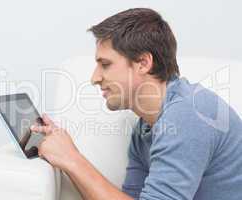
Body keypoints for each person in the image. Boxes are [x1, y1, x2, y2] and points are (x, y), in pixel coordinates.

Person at [30, 8, 242, 200]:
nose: (94, 78)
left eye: (105, 64)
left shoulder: (188, 114)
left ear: (143, 63)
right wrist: (68, 159)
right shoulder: (144, 131)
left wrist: (72, 159)